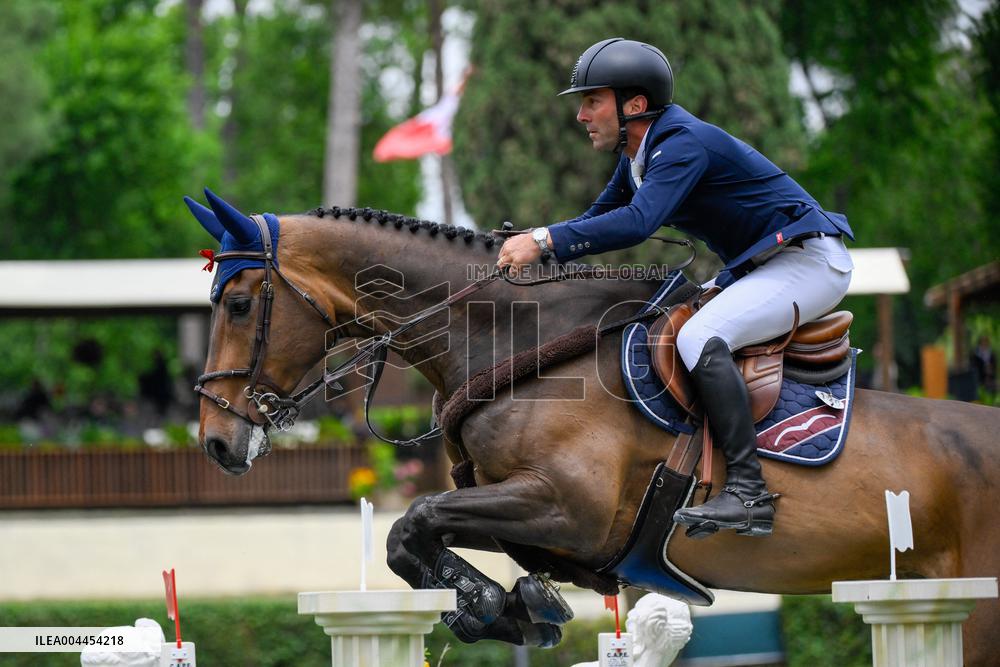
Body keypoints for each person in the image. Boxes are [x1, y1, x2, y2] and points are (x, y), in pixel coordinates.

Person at [497, 38, 855, 538]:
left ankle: (750, 494)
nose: (581, 115)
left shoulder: (680, 143)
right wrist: (538, 244)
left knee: (697, 338)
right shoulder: (640, 152)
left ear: (634, 105)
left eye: (591, 100)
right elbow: (600, 218)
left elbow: (638, 222)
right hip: (764, 266)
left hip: (809, 262)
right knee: (663, 323)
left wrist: (544, 240)